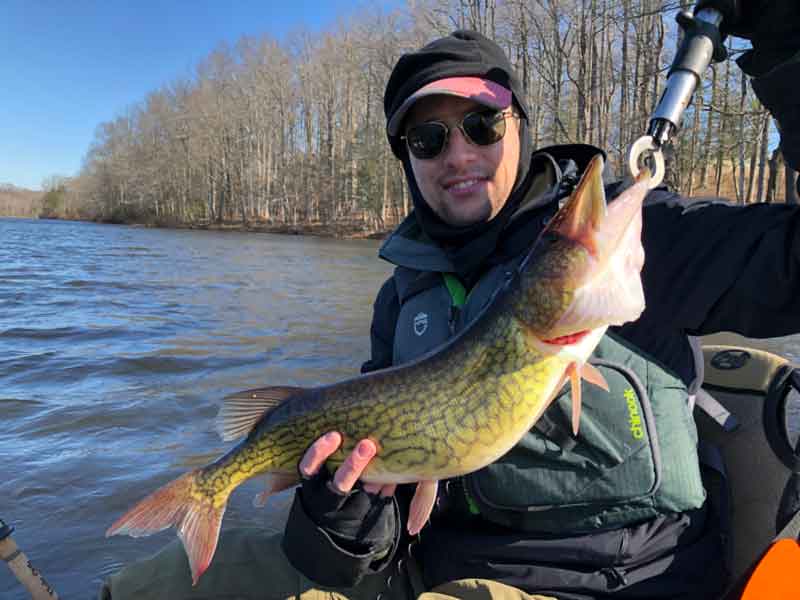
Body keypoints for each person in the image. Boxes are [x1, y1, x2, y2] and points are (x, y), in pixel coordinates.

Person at [101, 3, 800, 599]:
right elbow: (366, 552)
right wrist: (339, 515)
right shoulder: (402, 300)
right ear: (408, 160)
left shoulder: (653, 243)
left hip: (618, 581)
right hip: (432, 573)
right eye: (428, 138)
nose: (458, 153)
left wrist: (787, 50)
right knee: (145, 587)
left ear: (520, 127)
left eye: (482, 125)